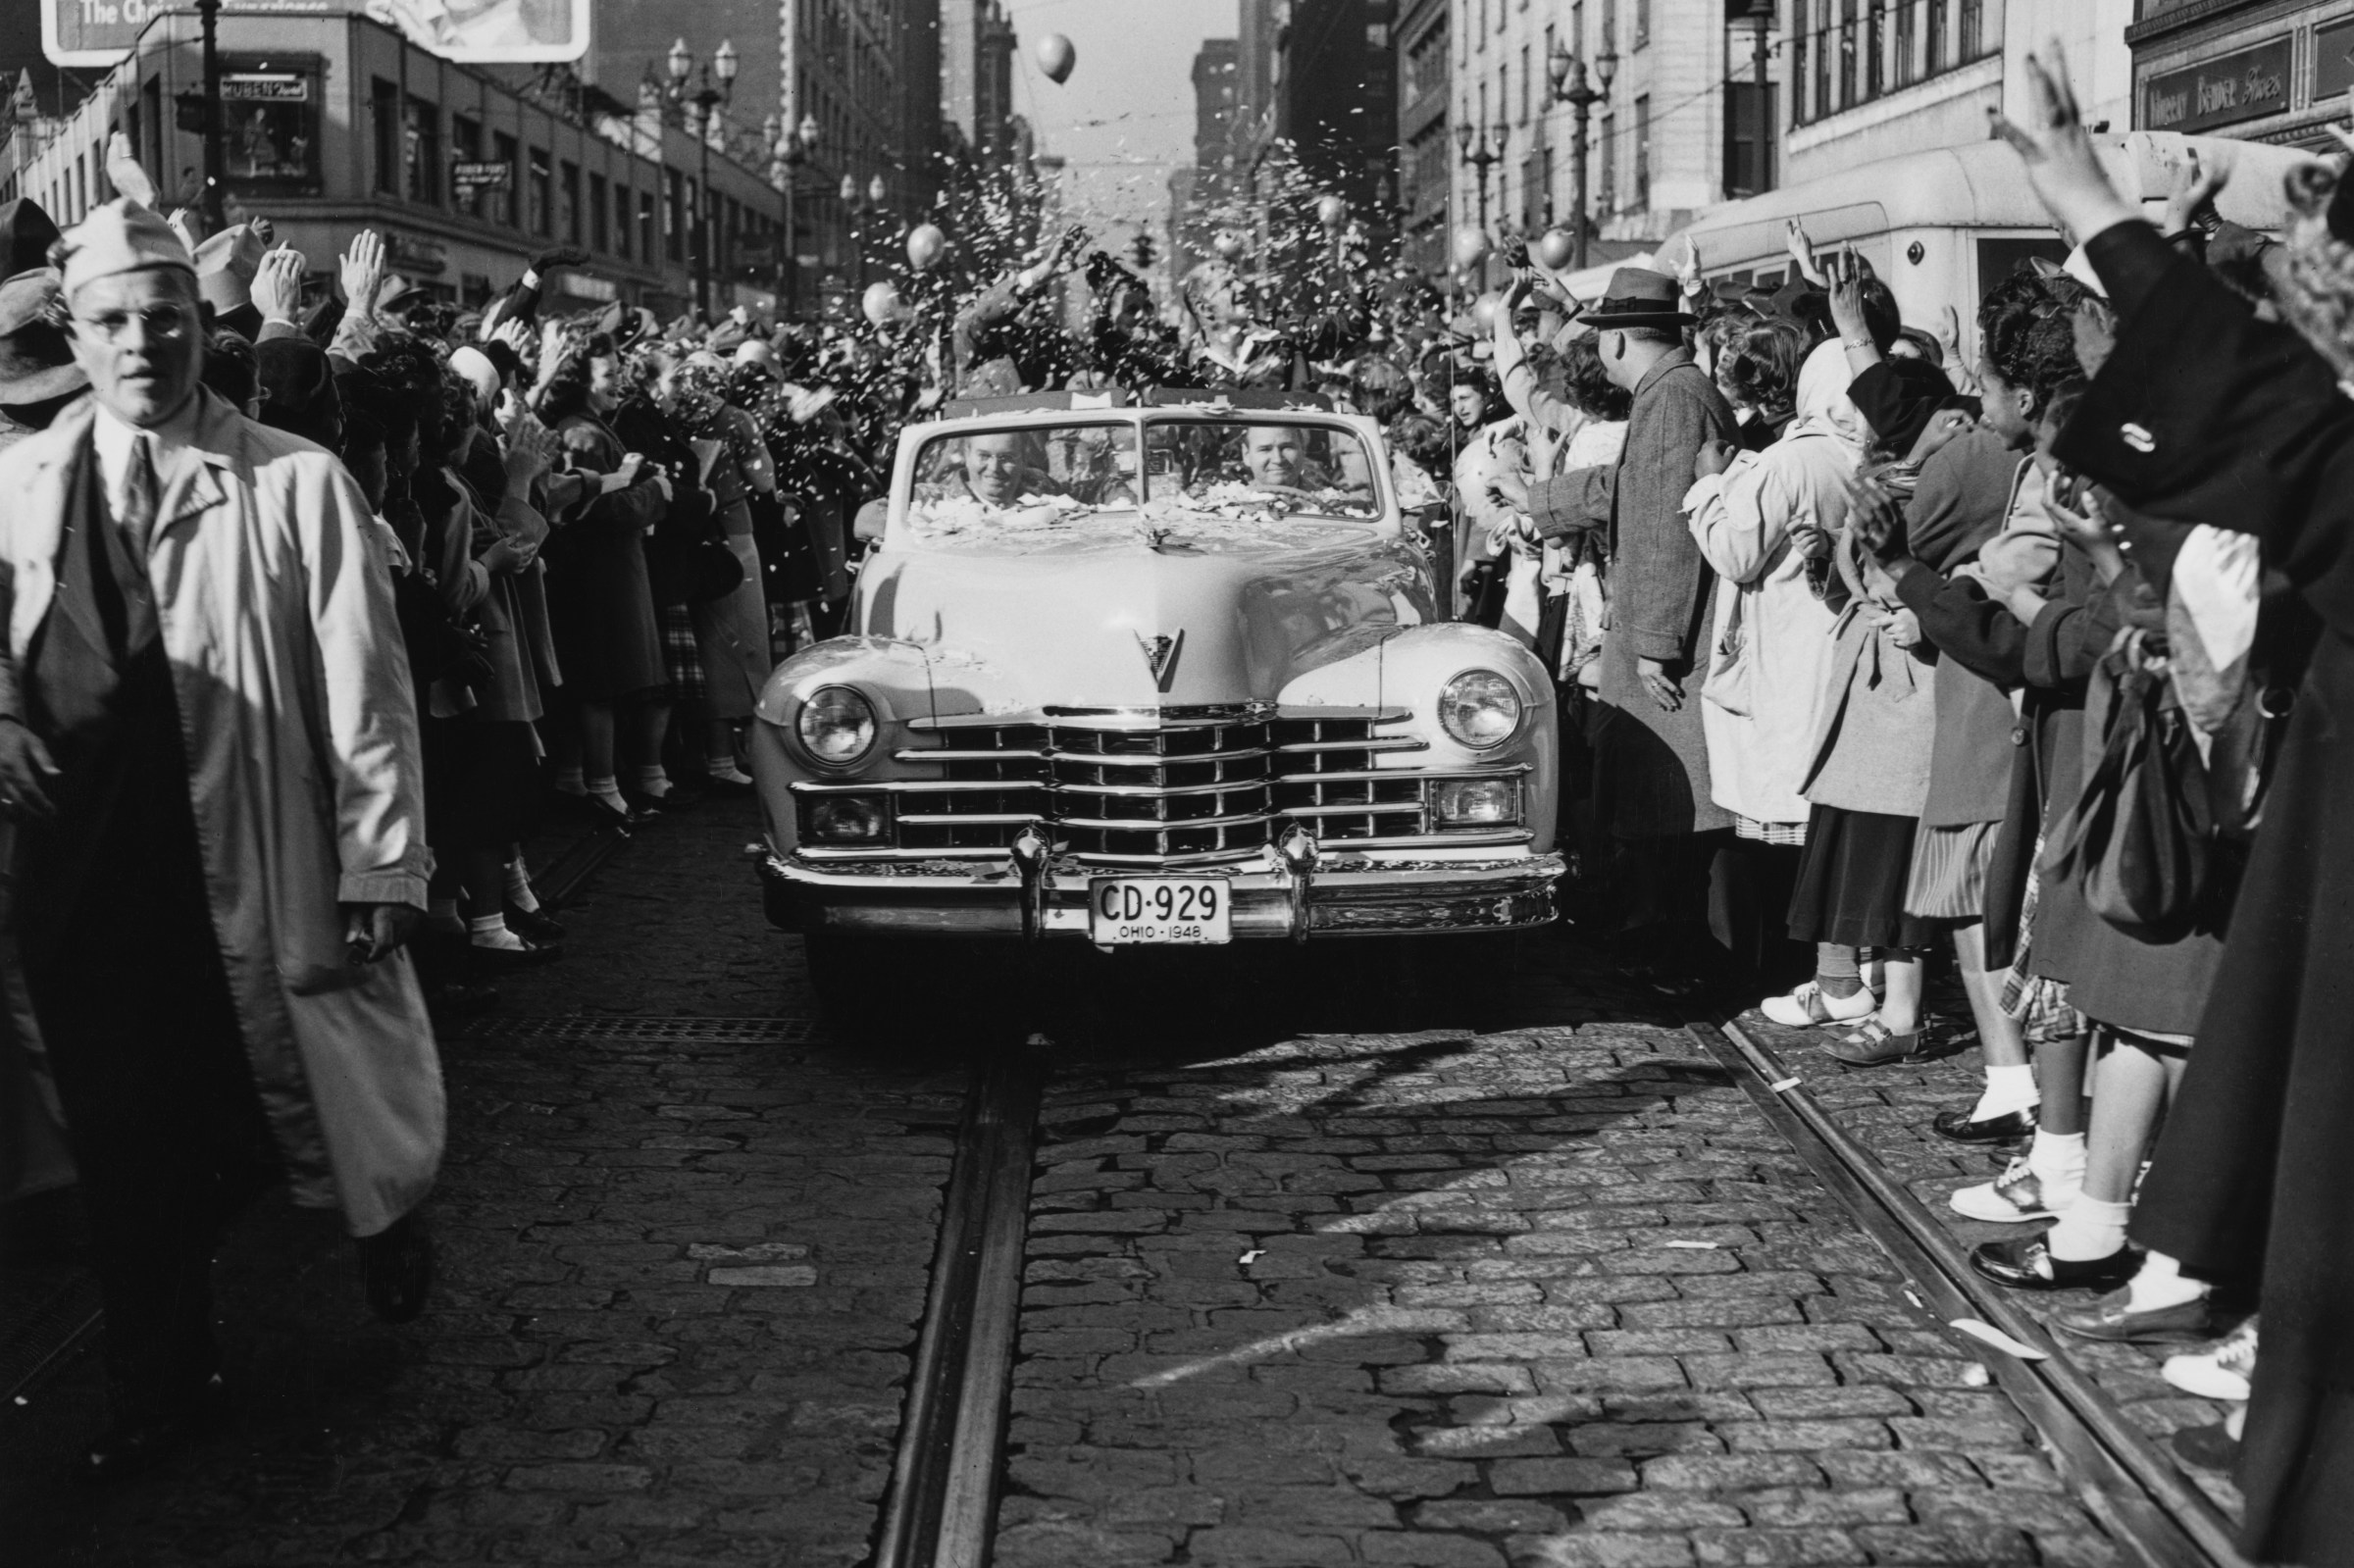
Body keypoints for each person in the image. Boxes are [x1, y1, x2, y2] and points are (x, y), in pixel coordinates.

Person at [0, 199, 441, 1482]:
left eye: (169, 317)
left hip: (253, 852)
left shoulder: (296, 483)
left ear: (205, 327)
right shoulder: (20, 487)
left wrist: (384, 857)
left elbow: (370, 687)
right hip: (87, 870)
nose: (145, 344)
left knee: (278, 1101)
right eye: (116, 323)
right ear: (75, 339)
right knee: (126, 1131)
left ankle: (386, 1212)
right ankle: (161, 1379)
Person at [1521, 267, 1740, 960]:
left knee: (1664, 796)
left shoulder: (1671, 398)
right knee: (1652, 796)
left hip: (1665, 639)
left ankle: (1673, 943)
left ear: (1617, 343)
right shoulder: (1673, 390)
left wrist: (1652, 641)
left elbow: (1661, 528)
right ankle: (1657, 927)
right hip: (1661, 628)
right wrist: (1544, 502)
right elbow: (1633, 489)